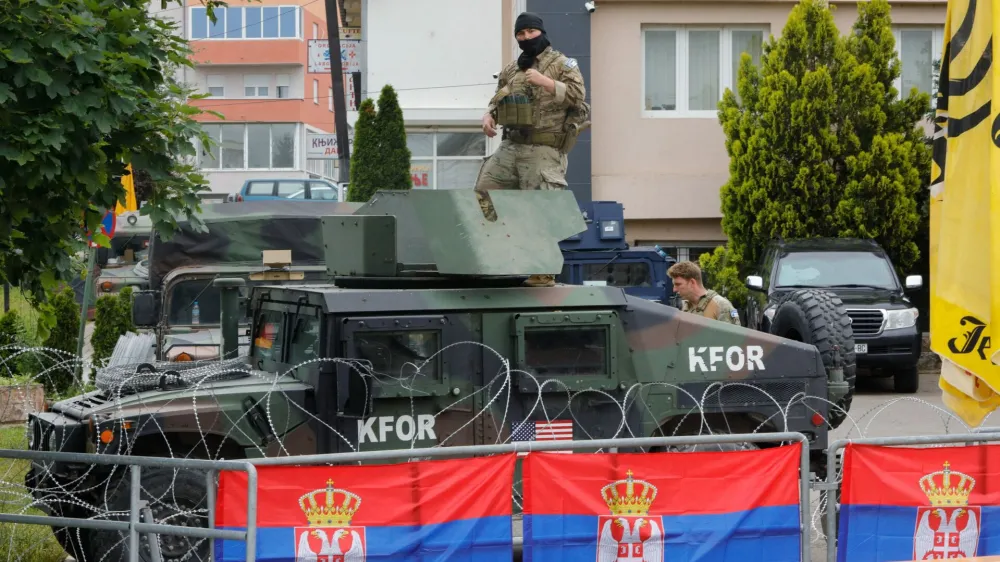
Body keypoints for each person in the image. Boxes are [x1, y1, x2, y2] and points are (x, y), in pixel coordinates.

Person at [474, 11, 590, 287]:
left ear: (542, 32)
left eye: (531, 32)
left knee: (539, 208)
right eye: (521, 34)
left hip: (543, 149)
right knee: (483, 194)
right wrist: (489, 115)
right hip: (512, 144)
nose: (526, 37)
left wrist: (546, 82)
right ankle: (495, 258)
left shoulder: (562, 63)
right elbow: (499, 98)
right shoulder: (513, 69)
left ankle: (542, 271)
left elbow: (578, 96)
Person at [667, 261, 741, 325]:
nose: (674, 289)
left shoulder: (721, 305)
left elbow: (734, 339)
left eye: (678, 284)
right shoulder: (685, 306)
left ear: (692, 282)